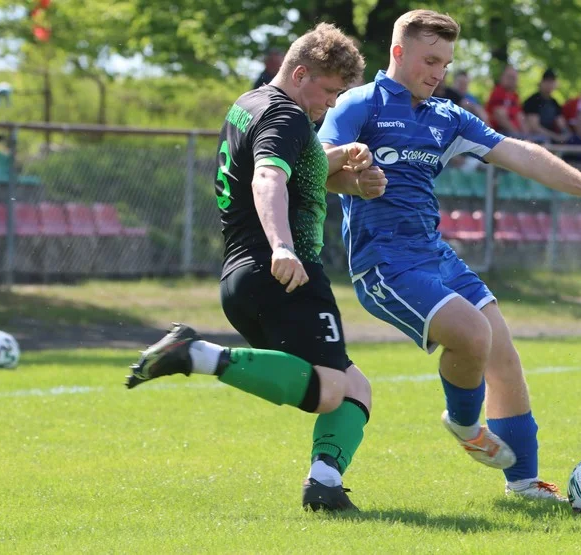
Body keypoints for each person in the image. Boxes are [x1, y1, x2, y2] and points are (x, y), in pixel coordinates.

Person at [318, 9, 581, 502]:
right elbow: (319, 165)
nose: (438, 73)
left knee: (502, 353)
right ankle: (463, 424)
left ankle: (525, 483)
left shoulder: (446, 117)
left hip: (435, 253)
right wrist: (355, 180)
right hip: (385, 263)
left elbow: (518, 151)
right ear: (398, 52)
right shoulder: (361, 104)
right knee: (474, 335)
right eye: (430, 60)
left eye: (445, 63)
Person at [126, 23, 386, 513]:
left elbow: (295, 166)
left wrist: (342, 164)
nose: (331, 105)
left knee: (355, 388)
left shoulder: (250, 104)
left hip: (242, 278)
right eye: (329, 92)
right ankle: (195, 354)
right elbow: (268, 177)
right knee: (330, 390)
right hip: (284, 273)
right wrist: (283, 247)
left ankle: (324, 484)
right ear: (301, 74)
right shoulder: (287, 117)